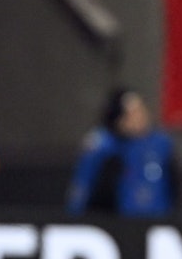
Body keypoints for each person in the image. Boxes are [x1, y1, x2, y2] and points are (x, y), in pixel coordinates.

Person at [66, 86, 176, 217]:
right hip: (117, 221)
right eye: (132, 113)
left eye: (141, 110)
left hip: (158, 220)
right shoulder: (102, 147)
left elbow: (174, 186)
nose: (140, 117)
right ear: (119, 119)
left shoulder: (161, 144)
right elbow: (82, 189)